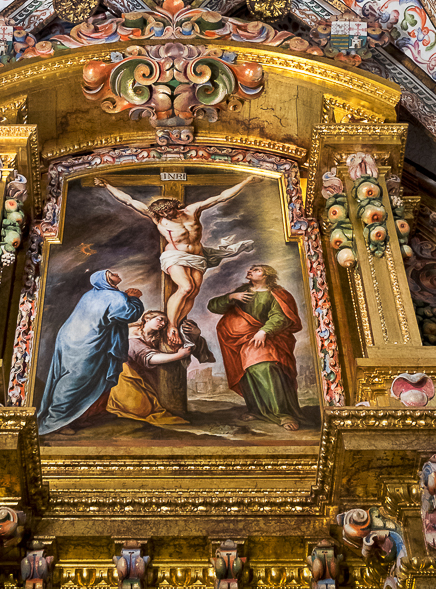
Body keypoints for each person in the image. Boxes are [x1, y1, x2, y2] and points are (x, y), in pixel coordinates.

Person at [95, 176, 255, 347]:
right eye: (162, 213)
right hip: (175, 255)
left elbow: (221, 197)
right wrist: (107, 185)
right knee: (185, 287)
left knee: (193, 291)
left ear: (174, 206)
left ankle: (176, 325)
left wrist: (246, 181)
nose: (165, 215)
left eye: (167, 211)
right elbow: (129, 200)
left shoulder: (192, 210)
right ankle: (171, 325)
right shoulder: (157, 218)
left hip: (197, 256)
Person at [37, 269, 143, 436]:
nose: (117, 273)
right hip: (87, 343)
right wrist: (134, 298)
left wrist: (126, 297)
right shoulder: (115, 296)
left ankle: (82, 416)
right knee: (75, 381)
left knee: (79, 377)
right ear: (106, 279)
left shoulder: (90, 295)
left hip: (70, 339)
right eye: (111, 273)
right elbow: (130, 314)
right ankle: (55, 422)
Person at [207, 264, 308, 431]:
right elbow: (213, 306)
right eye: (251, 269)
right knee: (247, 374)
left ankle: (282, 413)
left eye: (256, 270)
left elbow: (281, 317)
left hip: (266, 338)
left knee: (265, 368)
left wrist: (264, 331)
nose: (250, 271)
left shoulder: (277, 294)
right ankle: (257, 410)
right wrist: (231, 297)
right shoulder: (243, 291)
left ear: (266, 275)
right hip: (239, 341)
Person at [107, 310, 193, 430]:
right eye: (160, 319)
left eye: (165, 322)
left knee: (146, 406)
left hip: (144, 375)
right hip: (126, 376)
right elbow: (149, 357)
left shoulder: (159, 335)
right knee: (140, 408)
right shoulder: (131, 335)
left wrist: (195, 334)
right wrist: (179, 355)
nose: (162, 324)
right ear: (147, 318)